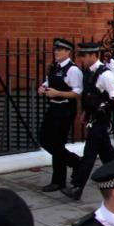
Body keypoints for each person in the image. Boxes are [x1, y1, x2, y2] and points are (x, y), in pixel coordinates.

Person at [63, 43, 114, 201]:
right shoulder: (89, 72)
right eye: (80, 56)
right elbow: (90, 96)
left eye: (84, 56)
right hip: (93, 117)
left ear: (93, 55)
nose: (82, 59)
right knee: (108, 155)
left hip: (101, 119)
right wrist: (85, 112)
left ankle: (78, 187)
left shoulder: (105, 75)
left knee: (89, 154)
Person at [38, 38, 83, 193]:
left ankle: (58, 181)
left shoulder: (73, 70)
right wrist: (43, 88)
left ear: (67, 52)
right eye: (55, 49)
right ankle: (75, 161)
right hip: (52, 107)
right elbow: (47, 81)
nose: (56, 52)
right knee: (43, 139)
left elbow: (78, 92)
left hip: (65, 109)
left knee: (57, 144)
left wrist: (58, 93)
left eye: (59, 50)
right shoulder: (54, 67)